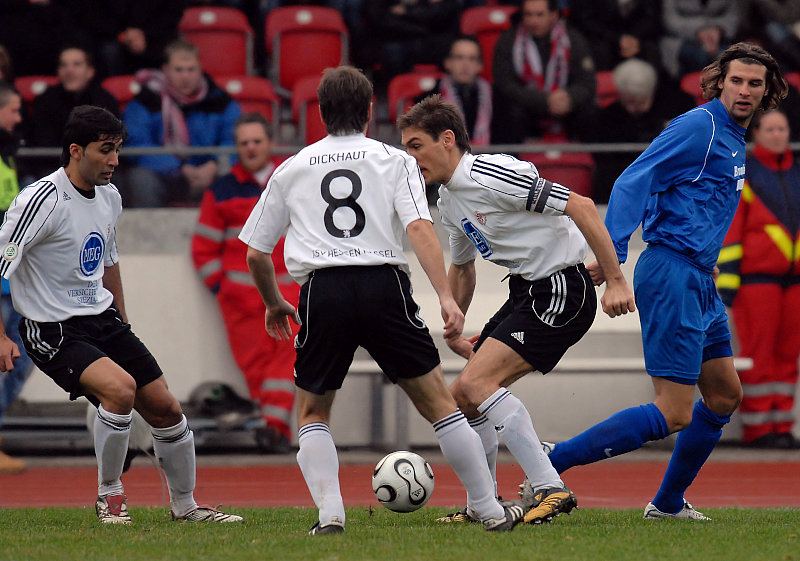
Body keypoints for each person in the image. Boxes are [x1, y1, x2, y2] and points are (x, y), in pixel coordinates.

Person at [240, 66, 524, 535]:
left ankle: (331, 516)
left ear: (320, 113)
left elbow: (255, 253)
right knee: (440, 405)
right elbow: (419, 228)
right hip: (382, 285)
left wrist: (273, 302)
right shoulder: (396, 160)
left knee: (312, 413)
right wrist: (446, 296)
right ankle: (489, 509)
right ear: (371, 111)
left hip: (323, 291)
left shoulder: (291, 168)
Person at [540, 43, 788, 520]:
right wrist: (612, 256)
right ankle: (549, 463)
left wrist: (704, 255)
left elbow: (685, 196)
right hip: (672, 273)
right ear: (719, 82)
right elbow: (634, 180)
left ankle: (668, 504)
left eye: (754, 83)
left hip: (698, 276)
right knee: (674, 411)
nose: (744, 90)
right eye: (736, 80)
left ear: (767, 91)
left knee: (724, 396)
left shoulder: (733, 135)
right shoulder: (700, 126)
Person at [398, 95, 636, 525]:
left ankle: (549, 487)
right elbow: (464, 267)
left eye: (416, 146)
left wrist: (617, 279)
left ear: (447, 139)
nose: (410, 158)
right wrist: (454, 321)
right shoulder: (449, 200)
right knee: (461, 398)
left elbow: (581, 206)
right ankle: (483, 505)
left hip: (560, 288)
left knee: (477, 383)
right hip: (527, 292)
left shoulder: (490, 174)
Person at [0, 105, 242, 524]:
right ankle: (110, 499)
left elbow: (109, 262)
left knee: (167, 408)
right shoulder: (42, 199)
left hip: (102, 320)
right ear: (76, 151)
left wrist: (122, 324)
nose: (114, 160)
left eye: (117, 149)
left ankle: (186, 507)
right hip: (52, 328)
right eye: (105, 149)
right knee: (120, 390)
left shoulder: (110, 197)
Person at [191, 113, 297, 453]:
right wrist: (222, 290)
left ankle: (273, 428)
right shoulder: (222, 191)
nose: (250, 148)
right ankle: (272, 430)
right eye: (244, 143)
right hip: (241, 303)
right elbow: (203, 247)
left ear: (270, 143)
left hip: (290, 296)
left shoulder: (292, 180)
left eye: (257, 141)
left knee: (287, 362)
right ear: (236, 147)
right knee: (256, 369)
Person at [717, 108, 800, 449]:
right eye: (771, 129)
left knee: (788, 356)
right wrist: (727, 286)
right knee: (759, 356)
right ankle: (758, 429)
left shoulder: (797, 173)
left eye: (783, 129)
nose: (778, 135)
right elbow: (732, 230)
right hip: (756, 281)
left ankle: (782, 425)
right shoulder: (745, 174)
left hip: (794, 282)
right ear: (757, 134)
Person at [122, 39, 241, 207]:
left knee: (236, 174)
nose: (185, 76)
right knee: (140, 179)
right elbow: (137, 145)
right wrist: (178, 168)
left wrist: (214, 165)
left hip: (211, 173)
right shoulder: (146, 101)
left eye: (191, 69)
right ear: (166, 70)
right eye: (178, 70)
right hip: (166, 175)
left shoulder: (220, 101)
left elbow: (234, 138)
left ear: (200, 69)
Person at [583, 58, 695, 203]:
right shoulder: (607, 118)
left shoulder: (678, 105)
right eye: (628, 102)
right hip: (622, 180)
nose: (632, 108)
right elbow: (604, 159)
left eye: (639, 101)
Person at [491, 0, 596, 143]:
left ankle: (589, 157)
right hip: (527, 106)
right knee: (508, 111)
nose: (533, 21)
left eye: (539, 15)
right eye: (528, 15)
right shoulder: (508, 41)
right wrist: (543, 100)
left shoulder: (573, 39)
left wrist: (570, 97)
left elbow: (587, 82)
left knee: (590, 111)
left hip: (566, 107)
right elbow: (505, 84)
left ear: (554, 15)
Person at [0, 81, 32, 474]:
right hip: (3, 279)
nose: (19, 117)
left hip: (12, 278)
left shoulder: (8, 156)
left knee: (22, 357)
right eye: (14, 110)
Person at [31, 45, 120, 149]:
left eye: (77, 64)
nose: (69, 70)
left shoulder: (106, 102)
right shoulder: (44, 101)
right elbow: (44, 145)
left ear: (90, 71)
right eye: (63, 65)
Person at [415, 35, 493, 147]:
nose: (465, 64)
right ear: (447, 62)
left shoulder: (496, 99)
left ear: (480, 65)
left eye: (472, 59)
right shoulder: (428, 100)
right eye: (459, 58)